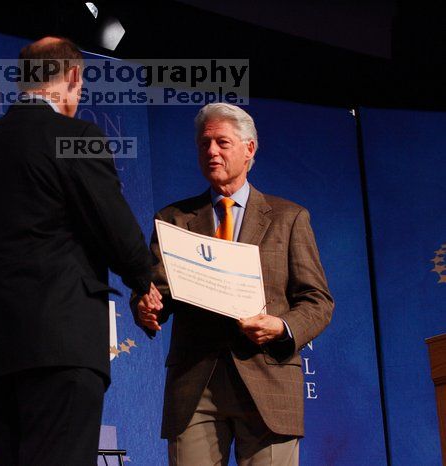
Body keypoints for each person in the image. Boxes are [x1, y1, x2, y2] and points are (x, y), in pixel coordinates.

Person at [0, 37, 158, 465]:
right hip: (62, 349)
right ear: (74, 77)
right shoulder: (76, 138)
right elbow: (114, 228)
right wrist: (146, 283)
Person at [134, 103, 334, 465]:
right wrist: (146, 307)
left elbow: (317, 301)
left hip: (268, 377)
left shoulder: (289, 218)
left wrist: (282, 325)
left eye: (222, 142)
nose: (211, 151)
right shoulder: (174, 219)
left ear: (249, 149)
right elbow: (158, 291)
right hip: (196, 383)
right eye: (204, 144)